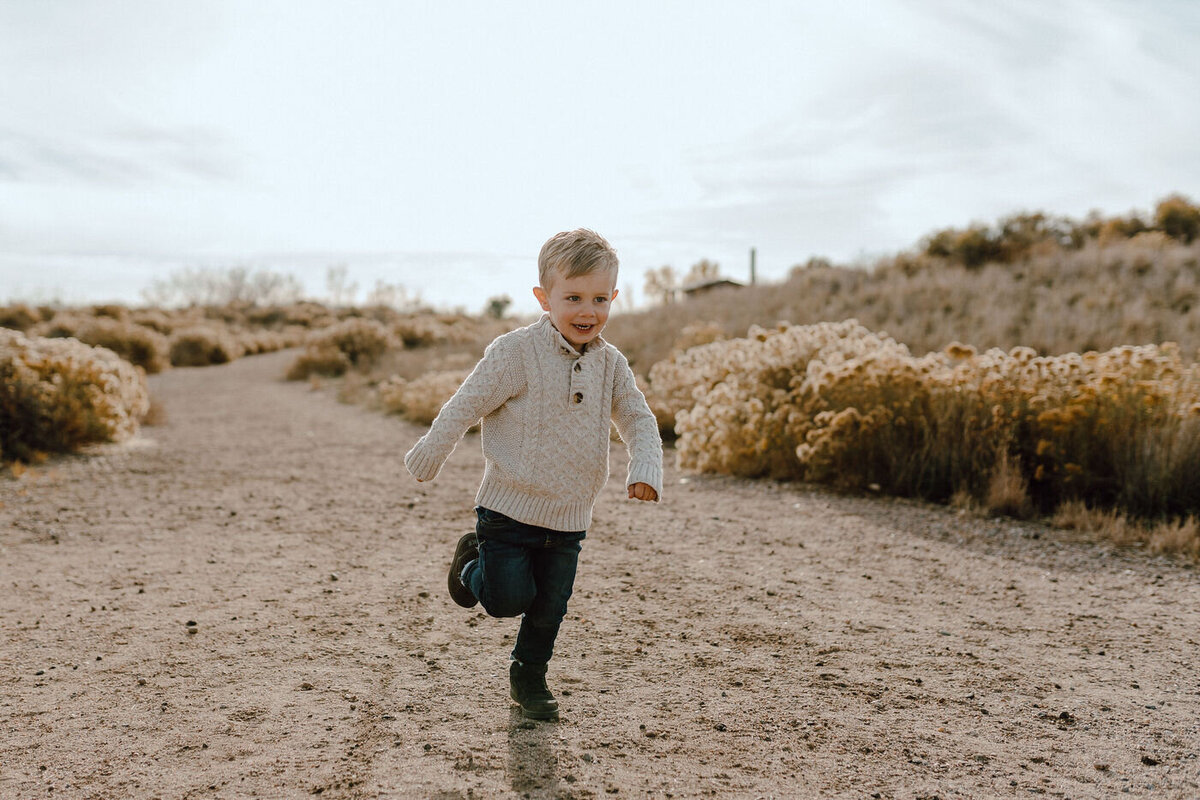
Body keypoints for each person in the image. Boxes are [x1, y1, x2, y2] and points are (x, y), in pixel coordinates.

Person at [404, 228, 663, 720]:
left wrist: (645, 464)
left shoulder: (611, 364)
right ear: (544, 298)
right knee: (506, 601)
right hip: (507, 508)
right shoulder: (515, 352)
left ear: (613, 298)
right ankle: (468, 564)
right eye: (573, 297)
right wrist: (431, 452)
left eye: (599, 299)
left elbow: (637, 417)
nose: (587, 311)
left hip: (569, 515)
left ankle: (529, 677)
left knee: (549, 607)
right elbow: (466, 405)